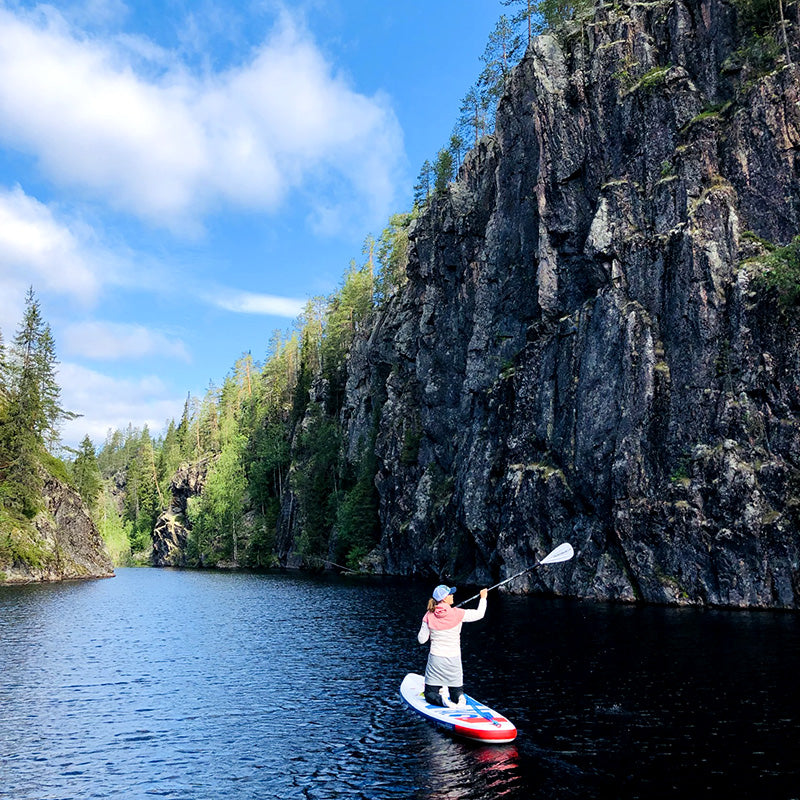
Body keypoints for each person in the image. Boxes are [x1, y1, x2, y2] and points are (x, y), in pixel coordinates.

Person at [417, 584, 488, 708]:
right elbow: (480, 614)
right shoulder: (459, 613)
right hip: (454, 660)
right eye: (450, 594)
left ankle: (442, 700)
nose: (452, 595)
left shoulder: (429, 615)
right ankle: (460, 699)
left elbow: (421, 640)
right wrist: (483, 598)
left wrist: (426, 619)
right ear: (444, 599)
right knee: (456, 691)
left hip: (436, 660)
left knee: (429, 693)